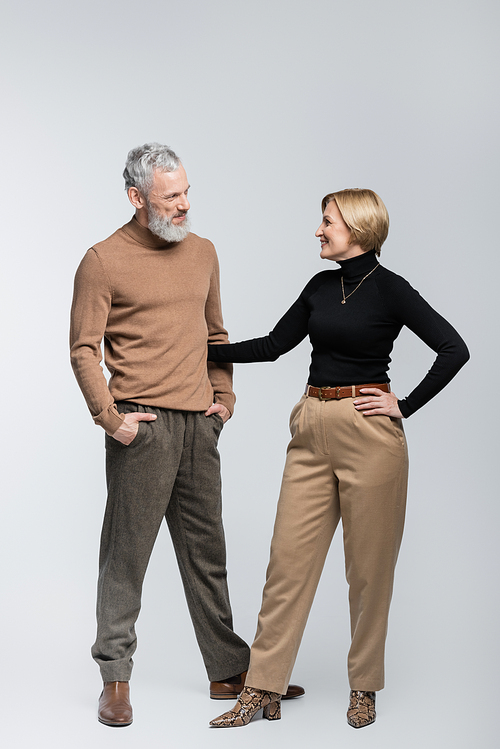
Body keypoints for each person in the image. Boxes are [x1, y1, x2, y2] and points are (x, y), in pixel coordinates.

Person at [208, 188, 469, 729]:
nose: (319, 231)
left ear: (357, 228)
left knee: (368, 572)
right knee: (287, 564)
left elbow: (453, 348)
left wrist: (406, 404)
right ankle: (263, 686)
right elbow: (275, 345)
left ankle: (364, 688)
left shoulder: (392, 290)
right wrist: (200, 348)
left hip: (370, 434)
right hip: (311, 426)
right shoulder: (321, 286)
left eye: (327, 222)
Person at [70, 143, 304, 727]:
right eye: (171, 196)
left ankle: (227, 670)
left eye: (186, 191)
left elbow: (216, 333)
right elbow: (82, 349)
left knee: (207, 551)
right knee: (126, 555)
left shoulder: (202, 252)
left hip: (199, 427)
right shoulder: (102, 259)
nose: (184, 204)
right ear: (136, 197)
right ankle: (115, 679)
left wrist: (223, 401)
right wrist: (110, 417)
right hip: (142, 426)